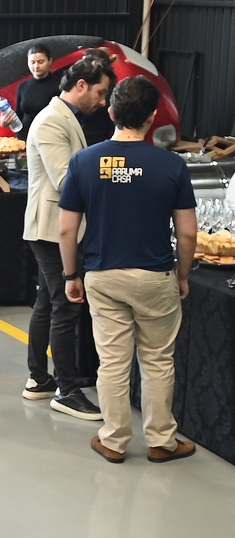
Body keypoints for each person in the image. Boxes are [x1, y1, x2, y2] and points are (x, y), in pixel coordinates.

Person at [58, 75, 198, 465]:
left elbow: (67, 227)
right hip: (155, 275)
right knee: (157, 360)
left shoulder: (84, 161)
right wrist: (183, 275)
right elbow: (187, 235)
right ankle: (161, 440)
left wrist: (71, 275)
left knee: (113, 361)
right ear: (152, 117)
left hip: (103, 275)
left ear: (112, 110)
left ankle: (114, 439)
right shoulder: (172, 165)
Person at [22, 55, 114, 419]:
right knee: (65, 305)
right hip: (51, 228)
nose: (104, 101)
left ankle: (38, 379)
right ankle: (67, 388)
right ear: (80, 85)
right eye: (101, 92)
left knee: (47, 302)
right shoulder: (50, 122)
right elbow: (66, 181)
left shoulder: (64, 118)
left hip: (53, 225)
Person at [3, 42, 55, 142]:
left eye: (40, 62)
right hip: (24, 140)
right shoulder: (23, 86)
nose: (36, 66)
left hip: (48, 139)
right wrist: (6, 122)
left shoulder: (59, 84)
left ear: (49, 61)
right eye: (32, 62)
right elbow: (18, 116)